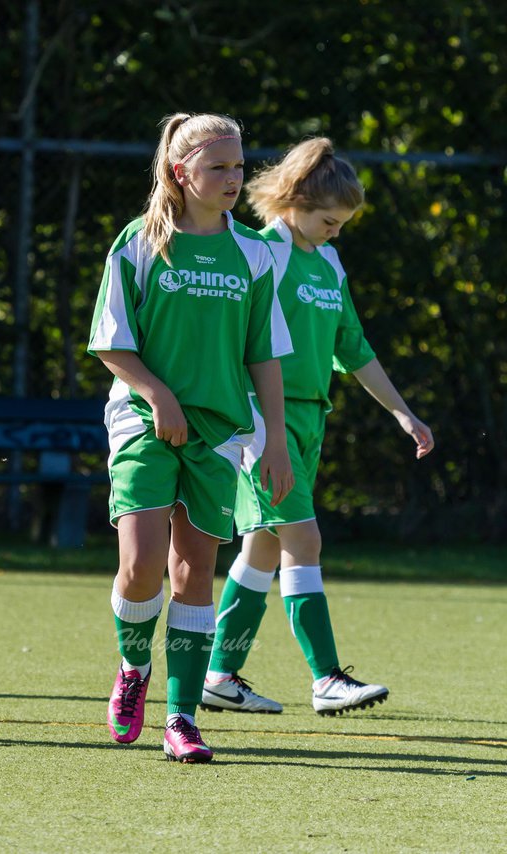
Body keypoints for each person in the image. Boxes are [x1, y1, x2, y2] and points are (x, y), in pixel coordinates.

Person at [202, 138, 435, 716]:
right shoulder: (260, 253)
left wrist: (402, 412)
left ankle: (220, 675)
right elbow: (231, 338)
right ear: (293, 200)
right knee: (303, 539)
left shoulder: (329, 261)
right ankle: (326, 678)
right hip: (261, 420)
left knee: (262, 548)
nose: (335, 232)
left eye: (343, 224)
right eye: (329, 220)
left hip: (310, 419)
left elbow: (352, 347)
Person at [87, 113, 294, 763]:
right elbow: (112, 345)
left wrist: (277, 441)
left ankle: (180, 717)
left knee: (194, 570)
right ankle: (132, 669)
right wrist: (160, 396)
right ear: (181, 173)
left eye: (238, 167)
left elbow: (264, 355)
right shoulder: (140, 242)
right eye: (218, 168)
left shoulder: (256, 252)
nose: (232, 179)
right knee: (142, 564)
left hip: (220, 433)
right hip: (145, 423)